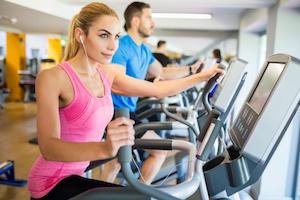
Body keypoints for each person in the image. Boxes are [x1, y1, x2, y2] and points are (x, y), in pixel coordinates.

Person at [28, 2, 223, 200]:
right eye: (103, 35)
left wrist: (202, 76)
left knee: (138, 194)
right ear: (80, 35)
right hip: (51, 183)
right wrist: (105, 147)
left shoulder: (106, 74)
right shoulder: (53, 78)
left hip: (78, 174)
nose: (113, 46)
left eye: (116, 37)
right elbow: (49, 147)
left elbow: (156, 89)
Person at [100, 1, 218, 185]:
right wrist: (153, 87)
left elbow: (162, 72)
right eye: (149, 17)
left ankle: (126, 193)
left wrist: (191, 70)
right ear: (136, 21)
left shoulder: (144, 49)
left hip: (129, 112)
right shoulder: (121, 46)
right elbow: (119, 85)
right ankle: (138, 195)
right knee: (154, 152)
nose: (153, 23)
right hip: (114, 112)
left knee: (116, 161)